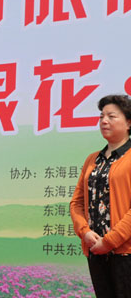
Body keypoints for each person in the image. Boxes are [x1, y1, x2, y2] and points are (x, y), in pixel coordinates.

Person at [71, 94, 131, 297]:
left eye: (111, 116)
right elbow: (77, 202)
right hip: (95, 251)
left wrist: (109, 242)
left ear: (128, 123)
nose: (104, 121)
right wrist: (85, 232)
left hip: (125, 252)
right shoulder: (92, 160)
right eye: (101, 116)